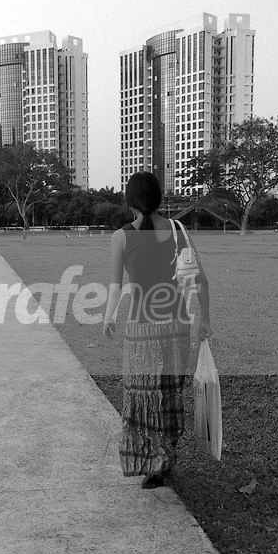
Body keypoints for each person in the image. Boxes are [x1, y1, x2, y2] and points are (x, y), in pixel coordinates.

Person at [103, 172, 212, 489]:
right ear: (160, 199)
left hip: (141, 330)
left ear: (130, 202)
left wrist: (109, 317)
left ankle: (153, 463)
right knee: (169, 393)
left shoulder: (121, 237)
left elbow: (115, 287)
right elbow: (200, 281)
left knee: (142, 397)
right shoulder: (178, 231)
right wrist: (205, 321)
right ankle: (165, 458)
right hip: (177, 327)